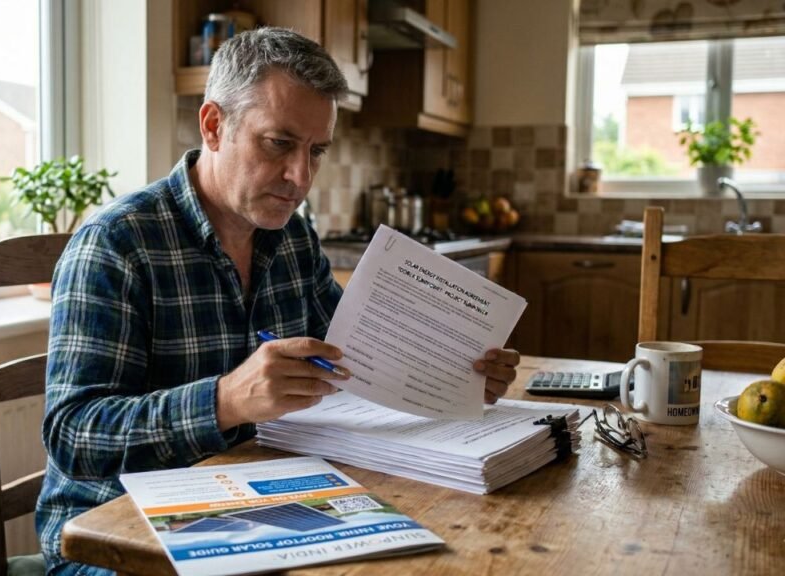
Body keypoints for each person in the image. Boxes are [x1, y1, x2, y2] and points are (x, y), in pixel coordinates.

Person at [36, 27, 520, 575]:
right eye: (279, 144)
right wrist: (225, 400)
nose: (301, 177)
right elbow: (74, 435)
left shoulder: (292, 236)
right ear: (215, 125)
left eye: (317, 151)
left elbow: (354, 354)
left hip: (258, 500)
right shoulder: (117, 243)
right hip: (118, 537)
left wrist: (455, 372)